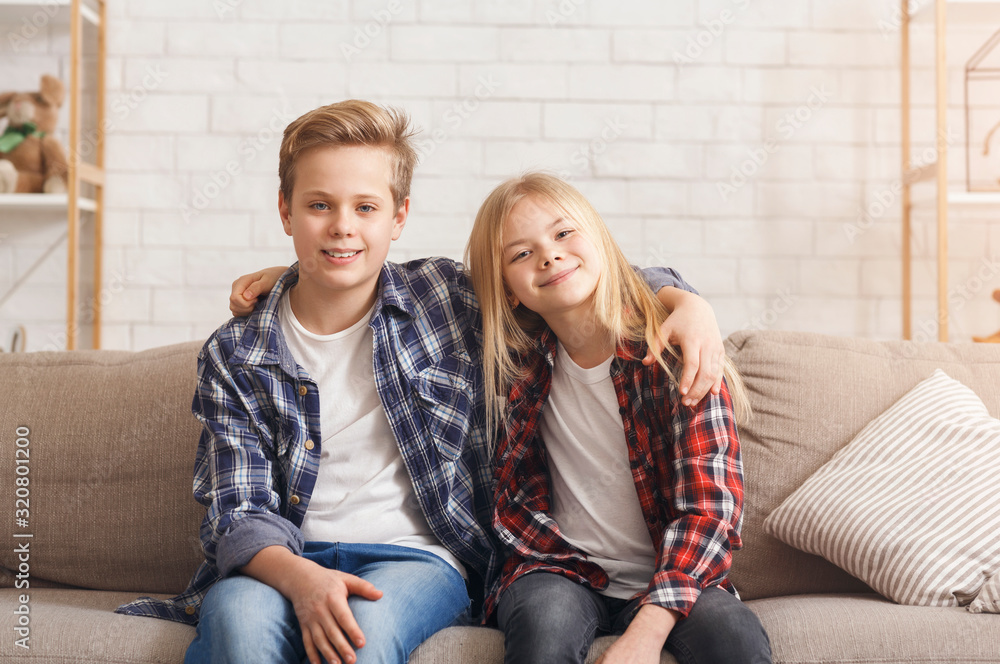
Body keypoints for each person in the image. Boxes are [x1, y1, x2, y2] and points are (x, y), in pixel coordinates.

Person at [115, 100, 728, 664]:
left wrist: (683, 298)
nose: (342, 228)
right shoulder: (237, 351)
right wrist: (302, 579)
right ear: (286, 211)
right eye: (319, 206)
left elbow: (565, 277)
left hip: (417, 558)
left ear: (399, 217)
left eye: (365, 208)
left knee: (361, 641)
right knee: (239, 629)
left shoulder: (443, 298)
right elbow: (237, 507)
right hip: (281, 559)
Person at [465, 172, 772, 664]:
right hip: (557, 567)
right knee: (542, 628)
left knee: (735, 639)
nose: (549, 256)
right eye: (521, 254)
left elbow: (711, 510)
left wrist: (648, 631)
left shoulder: (675, 352)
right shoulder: (513, 368)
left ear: (600, 240)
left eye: (564, 233)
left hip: (667, 574)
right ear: (509, 291)